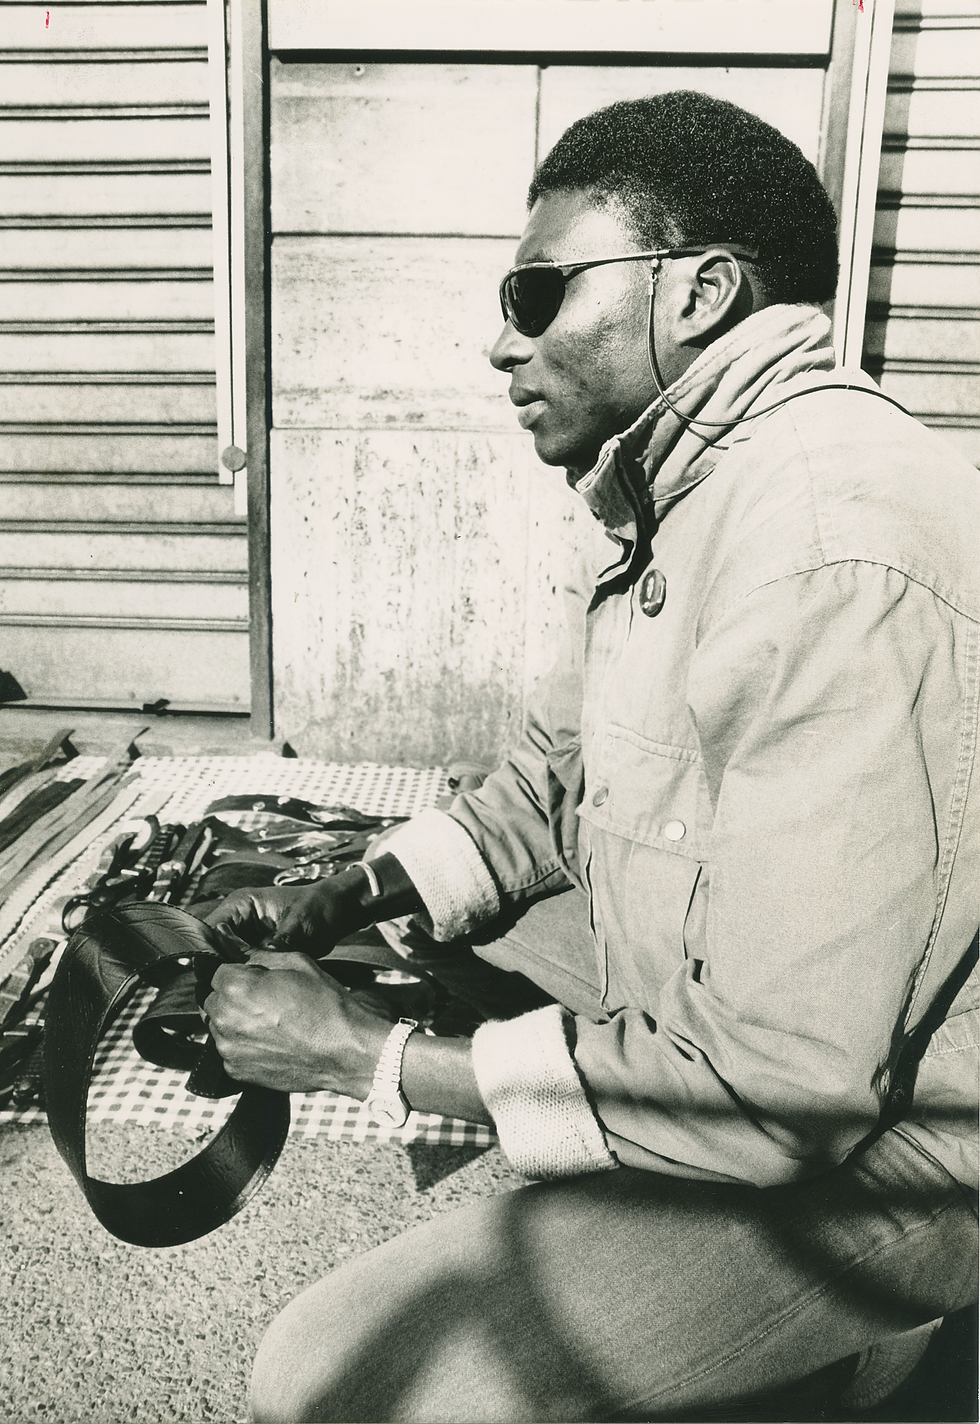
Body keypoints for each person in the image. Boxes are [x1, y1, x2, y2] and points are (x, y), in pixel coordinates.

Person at [204, 91, 979, 1422]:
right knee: (453, 948)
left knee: (327, 1382)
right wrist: (352, 894)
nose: (503, 347)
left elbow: (783, 1095)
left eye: (538, 292)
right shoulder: (709, 493)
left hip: (897, 1168)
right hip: (782, 1065)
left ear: (702, 293)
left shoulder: (828, 550)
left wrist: (366, 1060)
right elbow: (569, 774)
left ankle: (872, 1352)